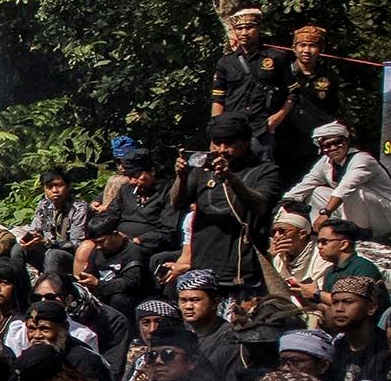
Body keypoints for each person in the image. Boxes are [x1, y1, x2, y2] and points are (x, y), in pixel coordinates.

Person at [163, 117, 282, 295]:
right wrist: (182, 176)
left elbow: (261, 206)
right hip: (203, 263)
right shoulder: (201, 170)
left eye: (229, 144)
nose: (221, 150)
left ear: (246, 142)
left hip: (241, 268)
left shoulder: (265, 170)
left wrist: (230, 177)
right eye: (216, 143)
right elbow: (176, 203)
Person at [286, 121, 391, 240]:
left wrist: (325, 213)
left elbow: (346, 187)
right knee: (317, 192)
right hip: (354, 213)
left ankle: (359, 236)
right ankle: (324, 233)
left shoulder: (362, 159)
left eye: (337, 143)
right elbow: (307, 183)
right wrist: (286, 201)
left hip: (383, 215)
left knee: (351, 192)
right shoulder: (325, 162)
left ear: (346, 142)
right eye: (327, 145)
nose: (333, 148)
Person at [265, 25, 343, 182]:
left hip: (314, 146)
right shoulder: (281, 74)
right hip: (283, 144)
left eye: (312, 46)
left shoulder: (329, 77)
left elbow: (332, 109)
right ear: (294, 48)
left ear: (320, 49)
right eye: (302, 45)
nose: (307, 50)